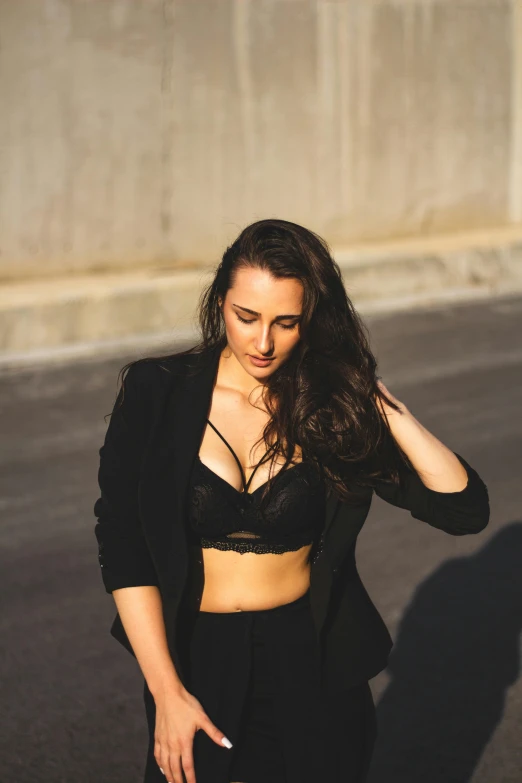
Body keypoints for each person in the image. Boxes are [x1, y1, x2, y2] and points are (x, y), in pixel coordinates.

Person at [93, 219, 490, 783]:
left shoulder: (327, 406)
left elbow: (462, 509)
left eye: (286, 323)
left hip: (313, 661)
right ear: (219, 302)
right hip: (197, 661)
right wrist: (166, 691)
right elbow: (123, 540)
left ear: (312, 320)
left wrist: (376, 402)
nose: (262, 343)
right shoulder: (156, 391)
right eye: (245, 317)